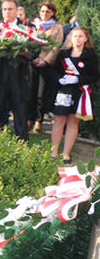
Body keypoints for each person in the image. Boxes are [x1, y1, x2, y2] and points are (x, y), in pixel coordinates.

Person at [0, 0, 32, 141]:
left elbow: (33, 51)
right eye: (4, 9)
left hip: (19, 77)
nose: (7, 12)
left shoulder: (27, 28)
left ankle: (22, 144)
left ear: (17, 10)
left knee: (20, 112)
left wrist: (20, 51)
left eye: (10, 9)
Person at [49, 27, 98, 163]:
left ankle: (66, 154)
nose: (77, 39)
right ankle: (53, 152)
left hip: (79, 92)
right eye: (75, 36)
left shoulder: (90, 55)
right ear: (71, 37)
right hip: (63, 91)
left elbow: (94, 75)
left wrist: (78, 79)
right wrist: (60, 79)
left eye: (80, 36)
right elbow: (54, 71)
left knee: (73, 121)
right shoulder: (63, 53)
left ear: (86, 38)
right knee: (59, 120)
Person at [29, 1, 64, 133]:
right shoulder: (33, 25)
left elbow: (56, 46)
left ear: (53, 13)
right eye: (42, 11)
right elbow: (28, 42)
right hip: (32, 63)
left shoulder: (57, 27)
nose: (44, 14)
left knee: (41, 94)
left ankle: (39, 120)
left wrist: (45, 60)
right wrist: (32, 58)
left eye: (47, 12)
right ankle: (29, 118)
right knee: (30, 91)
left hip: (46, 65)